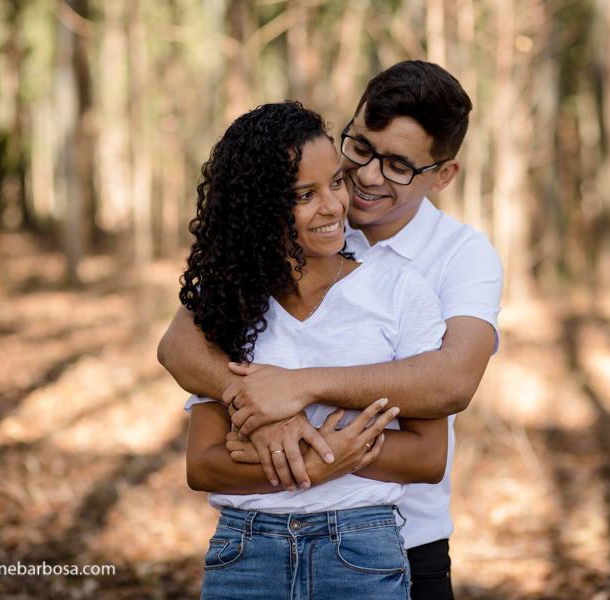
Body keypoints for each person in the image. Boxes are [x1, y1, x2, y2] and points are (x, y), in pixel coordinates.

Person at [160, 61, 503, 600]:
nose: (365, 178)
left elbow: (451, 382)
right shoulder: (263, 262)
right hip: (252, 546)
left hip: (403, 542)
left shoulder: (460, 257)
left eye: (398, 166)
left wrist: (299, 392)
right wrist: (261, 406)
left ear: (442, 175)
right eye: (360, 150)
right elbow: (179, 344)